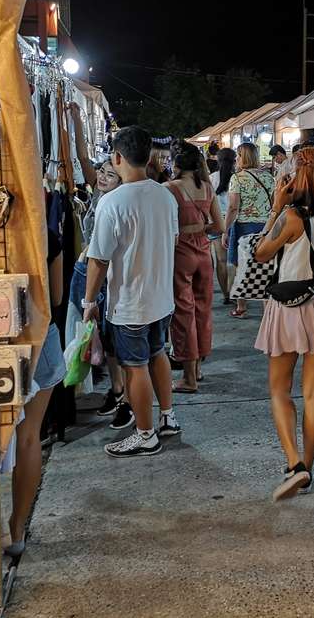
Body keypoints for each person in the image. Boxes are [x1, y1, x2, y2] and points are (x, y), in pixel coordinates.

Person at [253, 147, 314, 500]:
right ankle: (308, 466)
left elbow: (261, 252)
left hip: (289, 307)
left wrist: (277, 205)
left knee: (279, 389)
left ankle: (296, 465)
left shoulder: (292, 216)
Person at [83, 126, 182, 458]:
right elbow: (174, 240)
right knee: (158, 355)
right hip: (161, 298)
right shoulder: (166, 195)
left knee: (134, 366)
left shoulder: (113, 202)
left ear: (118, 157)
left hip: (130, 302)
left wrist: (88, 302)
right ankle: (167, 418)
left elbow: (98, 260)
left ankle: (145, 434)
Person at [7, 221, 68, 556]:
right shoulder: (43, 232)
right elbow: (56, 296)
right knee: (28, 434)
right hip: (38, 339)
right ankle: (16, 528)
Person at [67, 161, 133, 429]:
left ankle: (125, 398)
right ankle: (117, 390)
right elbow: (83, 158)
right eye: (102, 173)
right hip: (85, 269)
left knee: (114, 339)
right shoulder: (98, 197)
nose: (103, 178)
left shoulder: (118, 204)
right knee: (100, 338)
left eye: (111, 175)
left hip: (102, 274)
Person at [167, 143, 224, 393]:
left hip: (181, 254)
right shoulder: (208, 188)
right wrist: (200, 230)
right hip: (204, 253)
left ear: (176, 164)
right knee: (202, 310)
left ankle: (189, 378)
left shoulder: (169, 189)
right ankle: (199, 369)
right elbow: (219, 227)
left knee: (183, 314)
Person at [222, 142, 275, 319]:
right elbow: (275, 204)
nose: (236, 158)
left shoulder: (237, 178)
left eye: (238, 155)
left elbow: (232, 208)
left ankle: (241, 307)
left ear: (242, 157)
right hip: (266, 227)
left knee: (241, 268)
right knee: (263, 267)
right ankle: (267, 309)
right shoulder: (268, 176)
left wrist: (225, 230)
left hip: (244, 227)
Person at [210, 148, 236, 305]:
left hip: (217, 221)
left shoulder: (211, 178)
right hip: (234, 221)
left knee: (221, 260)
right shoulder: (238, 178)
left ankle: (226, 294)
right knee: (234, 260)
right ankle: (235, 293)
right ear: (234, 160)